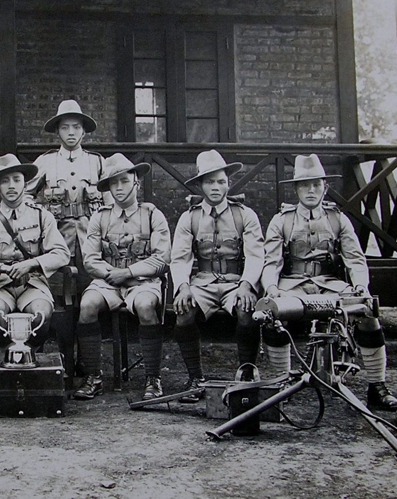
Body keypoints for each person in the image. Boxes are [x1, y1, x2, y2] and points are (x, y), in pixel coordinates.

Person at [261, 153, 397, 410]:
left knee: (368, 312)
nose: (311, 191)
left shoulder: (338, 219)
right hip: (293, 285)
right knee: (273, 314)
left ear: (325, 186)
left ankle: (377, 387)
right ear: (296, 189)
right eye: (305, 185)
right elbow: (271, 262)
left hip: (330, 284)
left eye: (316, 184)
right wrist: (271, 288)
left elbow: (355, 259)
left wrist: (361, 287)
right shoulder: (281, 221)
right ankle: (281, 383)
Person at [74, 153, 171, 402]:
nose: (119, 188)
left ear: (136, 181)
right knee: (86, 306)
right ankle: (93, 376)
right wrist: (112, 275)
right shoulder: (100, 217)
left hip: (143, 281)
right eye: (113, 183)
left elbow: (162, 259)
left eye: (124, 181)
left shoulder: (152, 215)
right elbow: (90, 258)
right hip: (108, 281)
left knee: (146, 306)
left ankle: (153, 378)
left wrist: (129, 273)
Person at [169, 150, 264, 402]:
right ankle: (195, 377)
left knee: (248, 311)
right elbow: (179, 258)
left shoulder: (245, 215)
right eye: (210, 182)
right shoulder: (189, 217)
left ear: (228, 183)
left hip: (235, 282)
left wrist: (247, 285)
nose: (216, 187)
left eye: (221, 181)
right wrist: (183, 287)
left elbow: (256, 255)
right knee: (183, 312)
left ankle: (246, 373)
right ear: (200, 185)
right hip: (203, 282)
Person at [0, 155, 70, 352]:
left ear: (25, 184)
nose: (11, 186)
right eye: (4, 181)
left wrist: (31, 264)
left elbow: (62, 253)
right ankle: (11, 359)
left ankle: (29, 360)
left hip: (32, 283)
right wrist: (0, 268)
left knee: (42, 317)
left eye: (16, 180)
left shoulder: (41, 215)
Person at [26, 99, 108, 294]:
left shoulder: (96, 162)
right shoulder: (47, 161)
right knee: (59, 289)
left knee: (92, 288)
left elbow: (111, 202)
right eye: (65, 128)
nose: (71, 133)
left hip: (91, 237)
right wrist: (38, 220)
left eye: (76, 127)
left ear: (84, 131)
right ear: (57, 131)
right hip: (57, 237)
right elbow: (26, 195)